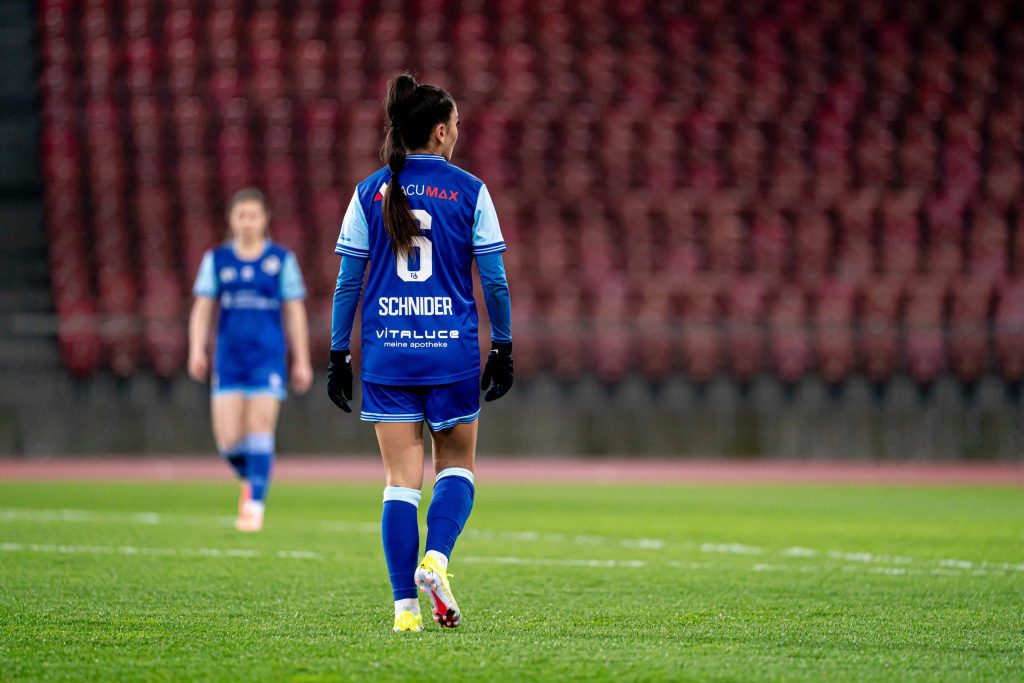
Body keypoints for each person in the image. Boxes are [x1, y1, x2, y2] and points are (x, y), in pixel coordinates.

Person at [328, 74, 513, 632]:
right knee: (456, 466)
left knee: (400, 483)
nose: (458, 132)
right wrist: (503, 346)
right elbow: (495, 281)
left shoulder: (369, 192)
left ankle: (404, 611)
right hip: (449, 354)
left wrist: (338, 355)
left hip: (388, 355)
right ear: (438, 132)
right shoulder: (471, 190)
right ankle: (435, 560)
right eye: (456, 125)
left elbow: (347, 283)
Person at [188, 188, 313, 532]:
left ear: (264, 219)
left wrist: (301, 359)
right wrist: (196, 348)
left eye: (253, 215)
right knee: (229, 442)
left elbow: (294, 311)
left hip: (267, 359)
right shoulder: (217, 260)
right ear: (231, 220)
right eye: (241, 215)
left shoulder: (280, 260)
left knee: (259, 428)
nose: (247, 222)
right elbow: (202, 308)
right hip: (229, 360)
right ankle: (255, 476)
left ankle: (254, 505)